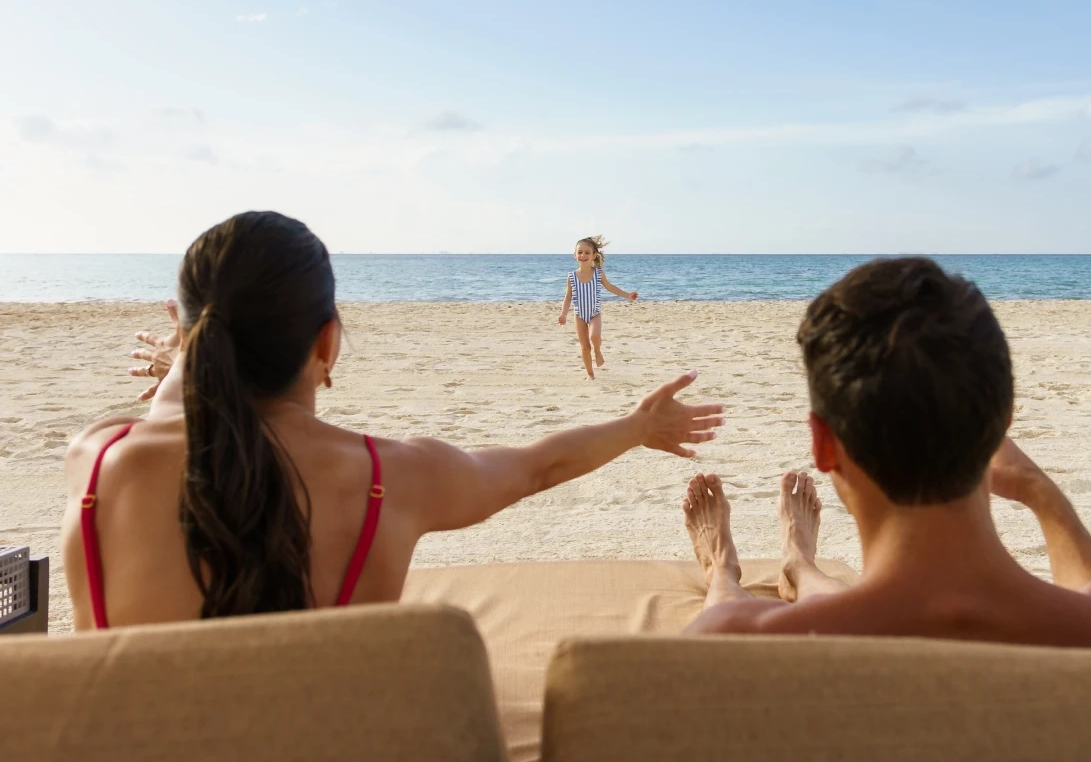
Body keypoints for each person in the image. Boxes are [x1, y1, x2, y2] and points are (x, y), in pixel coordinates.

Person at [62, 211, 725, 629]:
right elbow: (536, 467)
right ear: (328, 343)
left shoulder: (95, 459)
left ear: (186, 333)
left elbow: (191, 432)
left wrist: (185, 364)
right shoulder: (391, 478)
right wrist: (637, 427)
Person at [682, 257, 1091, 647]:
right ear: (1003, 423)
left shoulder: (729, 640)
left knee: (726, 597)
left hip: (826, 623)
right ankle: (801, 568)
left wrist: (725, 597)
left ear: (823, 444)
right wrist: (1043, 495)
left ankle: (727, 574)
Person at [557, 236, 638, 380]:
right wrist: (563, 314)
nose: (583, 255)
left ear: (594, 255)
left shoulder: (598, 273)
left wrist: (627, 295)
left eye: (587, 252)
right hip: (579, 315)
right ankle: (590, 374)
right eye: (580, 252)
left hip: (595, 313)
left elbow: (610, 287)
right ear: (575, 255)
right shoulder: (572, 276)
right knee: (585, 347)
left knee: (594, 336)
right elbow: (568, 297)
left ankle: (598, 351)